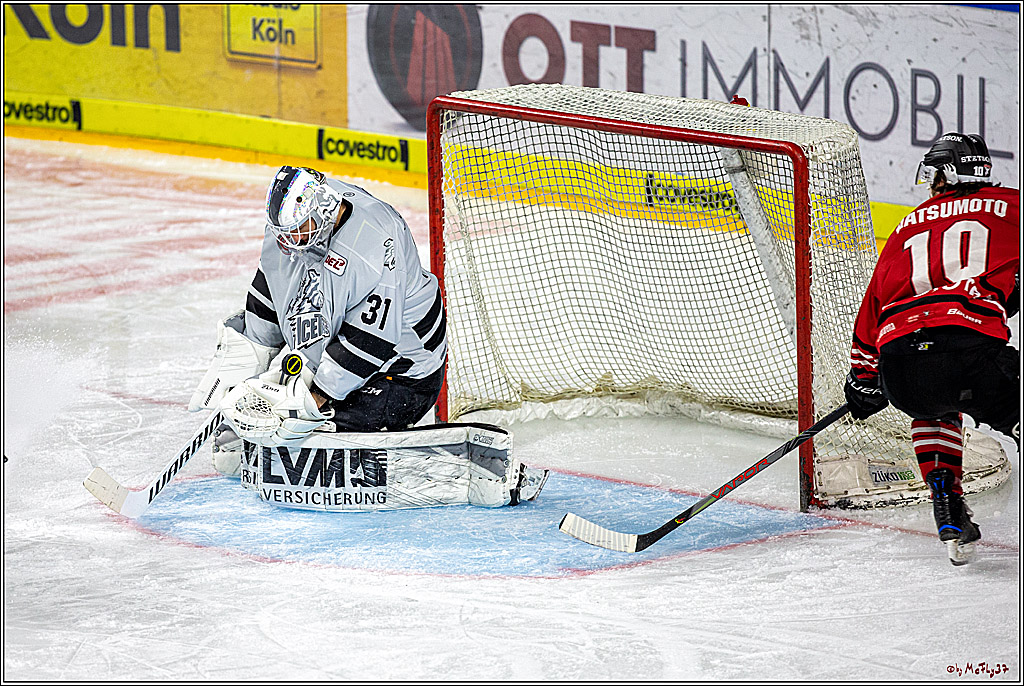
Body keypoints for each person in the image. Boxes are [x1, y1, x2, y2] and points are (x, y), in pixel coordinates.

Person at [189, 165, 547, 507]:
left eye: (295, 232)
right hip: (334, 348)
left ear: (323, 210)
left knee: (324, 434)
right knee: (268, 405)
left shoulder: (376, 241)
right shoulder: (294, 226)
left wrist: (313, 401)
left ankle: (467, 468)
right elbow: (272, 281)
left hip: (402, 372)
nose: (286, 241)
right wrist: (250, 362)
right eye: (282, 233)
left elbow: (370, 342)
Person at [843, 132, 1019, 564]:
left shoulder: (906, 225)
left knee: (930, 405)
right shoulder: (1012, 206)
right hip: (972, 349)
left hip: (900, 359)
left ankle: (947, 504)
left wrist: (865, 377)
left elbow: (874, 306)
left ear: (944, 174)